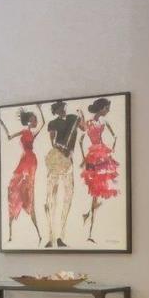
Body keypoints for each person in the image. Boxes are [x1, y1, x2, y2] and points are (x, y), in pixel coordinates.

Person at [77, 97, 120, 243]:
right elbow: (81, 141)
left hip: (101, 155)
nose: (108, 111)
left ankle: (89, 218)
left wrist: (111, 151)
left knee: (97, 192)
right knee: (96, 191)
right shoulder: (90, 123)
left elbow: (115, 137)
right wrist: (84, 159)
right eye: (107, 108)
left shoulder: (103, 122)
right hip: (94, 156)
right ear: (101, 108)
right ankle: (90, 229)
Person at [0, 105, 43, 244]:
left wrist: (40, 109)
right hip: (24, 161)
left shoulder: (31, 133)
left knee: (28, 190)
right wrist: (3, 125)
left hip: (30, 162)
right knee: (14, 188)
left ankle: (36, 232)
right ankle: (11, 232)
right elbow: (8, 136)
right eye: (33, 119)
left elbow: (43, 123)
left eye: (35, 119)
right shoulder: (24, 132)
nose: (35, 121)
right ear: (29, 121)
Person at [43, 101, 82, 247]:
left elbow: (83, 127)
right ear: (56, 110)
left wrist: (81, 116)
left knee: (68, 196)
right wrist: (62, 148)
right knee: (51, 197)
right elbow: (53, 142)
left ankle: (61, 237)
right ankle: (50, 236)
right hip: (56, 159)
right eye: (60, 108)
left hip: (68, 161)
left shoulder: (73, 118)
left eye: (64, 107)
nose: (63, 110)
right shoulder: (53, 123)